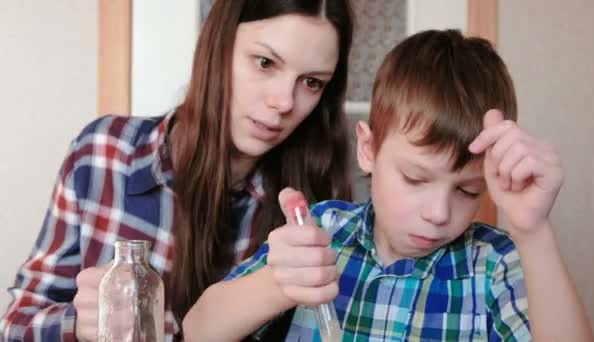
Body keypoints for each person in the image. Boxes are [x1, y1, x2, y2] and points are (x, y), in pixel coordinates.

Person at [187, 29, 594, 341]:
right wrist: (278, 284)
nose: (438, 213)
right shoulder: (322, 232)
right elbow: (198, 329)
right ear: (368, 149)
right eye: (415, 178)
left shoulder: (495, 264)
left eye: (468, 190)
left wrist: (534, 232)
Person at [0, 1, 354, 341]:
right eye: (265, 62)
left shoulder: (317, 208)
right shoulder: (104, 154)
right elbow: (14, 324)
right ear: (218, 46)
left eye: (311, 82)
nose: (284, 101)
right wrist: (78, 323)